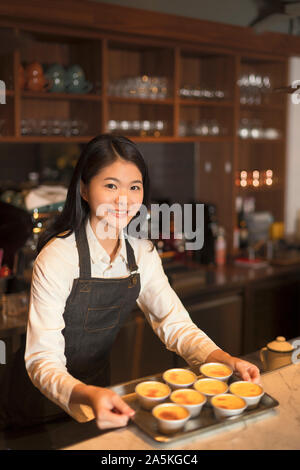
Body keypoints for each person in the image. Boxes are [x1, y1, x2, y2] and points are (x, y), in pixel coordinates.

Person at [0, 134, 260, 431]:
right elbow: (42, 359)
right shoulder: (59, 256)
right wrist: (87, 394)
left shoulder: (142, 253)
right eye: (110, 185)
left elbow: (175, 323)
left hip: (100, 397)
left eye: (134, 187)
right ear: (84, 189)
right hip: (35, 407)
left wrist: (224, 360)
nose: (124, 200)